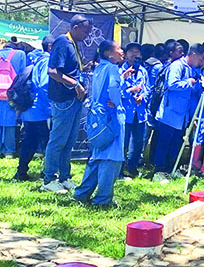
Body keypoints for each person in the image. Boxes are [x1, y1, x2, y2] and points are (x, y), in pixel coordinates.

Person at [42, 15, 92, 193]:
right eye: (85, 31)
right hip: (64, 99)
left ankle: (64, 176)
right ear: (75, 27)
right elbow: (53, 71)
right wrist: (75, 84)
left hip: (74, 100)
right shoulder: (63, 42)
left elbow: (70, 69)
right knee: (58, 140)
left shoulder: (73, 44)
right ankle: (49, 179)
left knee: (69, 141)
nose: (87, 35)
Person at [74, 40, 126, 207]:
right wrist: (116, 103)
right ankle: (102, 200)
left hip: (98, 116)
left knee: (97, 156)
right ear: (108, 53)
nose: (122, 51)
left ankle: (81, 194)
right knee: (111, 159)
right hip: (111, 117)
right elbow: (113, 88)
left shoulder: (99, 67)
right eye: (118, 48)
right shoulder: (112, 68)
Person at [153, 43, 204, 180]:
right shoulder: (177, 66)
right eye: (200, 58)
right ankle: (159, 171)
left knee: (176, 143)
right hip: (170, 112)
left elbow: (192, 90)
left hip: (182, 116)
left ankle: (172, 168)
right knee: (164, 143)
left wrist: (200, 84)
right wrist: (189, 82)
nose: (201, 61)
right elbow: (172, 84)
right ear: (193, 54)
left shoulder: (191, 69)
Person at [13, 35, 54, 180]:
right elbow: (44, 85)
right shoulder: (47, 61)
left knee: (30, 140)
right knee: (49, 142)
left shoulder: (33, 59)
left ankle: (21, 172)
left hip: (29, 108)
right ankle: (48, 173)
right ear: (50, 47)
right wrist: (50, 107)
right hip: (41, 109)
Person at [120, 42, 150, 178]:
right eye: (131, 51)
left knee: (138, 142)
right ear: (126, 55)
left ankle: (132, 168)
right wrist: (131, 91)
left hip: (140, 112)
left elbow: (148, 89)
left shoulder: (143, 71)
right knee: (124, 141)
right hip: (126, 112)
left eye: (137, 51)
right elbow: (118, 92)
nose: (134, 54)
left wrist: (142, 97)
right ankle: (120, 169)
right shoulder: (121, 71)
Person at [0, 41, 27, 157]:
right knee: (10, 121)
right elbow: (23, 75)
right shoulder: (20, 54)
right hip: (11, 93)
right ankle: (9, 150)